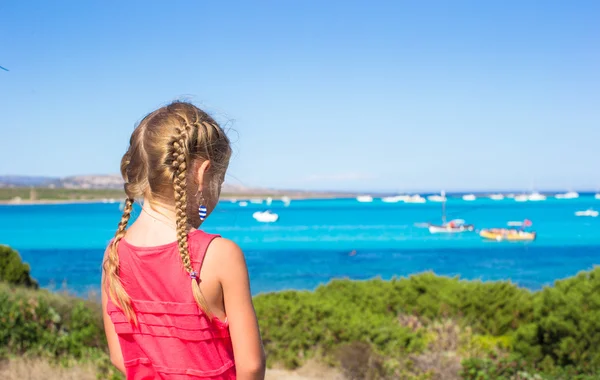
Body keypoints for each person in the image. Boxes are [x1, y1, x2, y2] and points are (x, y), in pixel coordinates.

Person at [101, 101, 265, 380]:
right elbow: (250, 366)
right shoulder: (220, 254)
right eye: (220, 180)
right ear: (202, 175)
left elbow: (121, 357)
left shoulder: (115, 252)